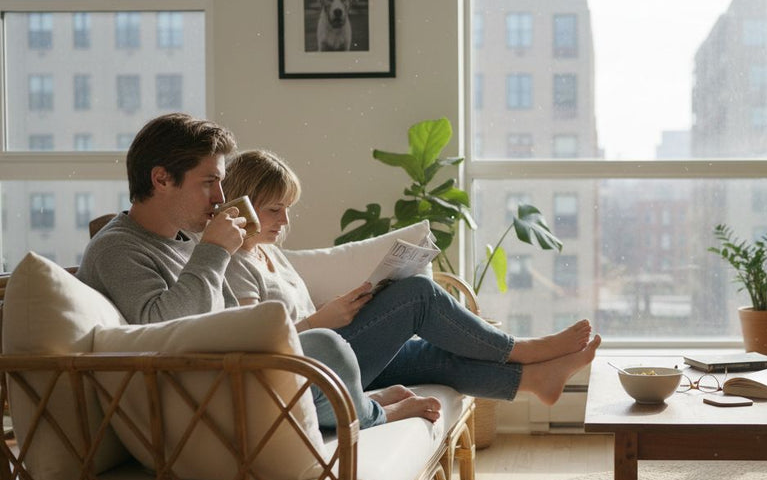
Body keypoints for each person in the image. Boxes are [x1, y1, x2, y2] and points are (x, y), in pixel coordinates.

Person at [77, 113, 444, 428]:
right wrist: (215, 250)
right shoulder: (117, 248)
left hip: (228, 373)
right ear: (161, 179)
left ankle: (359, 403)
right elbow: (160, 329)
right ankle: (374, 412)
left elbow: (231, 319)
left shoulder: (184, 240)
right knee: (326, 345)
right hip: (192, 399)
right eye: (209, 182)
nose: (220, 196)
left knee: (324, 348)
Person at [220, 149, 600, 429]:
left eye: (288, 208)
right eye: (274, 209)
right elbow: (259, 344)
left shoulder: (271, 253)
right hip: (317, 371)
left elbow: (297, 317)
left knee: (433, 357)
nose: (285, 220)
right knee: (419, 293)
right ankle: (523, 349)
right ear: (244, 204)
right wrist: (322, 318)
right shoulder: (234, 265)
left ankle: (535, 379)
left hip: (336, 354)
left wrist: (348, 305)